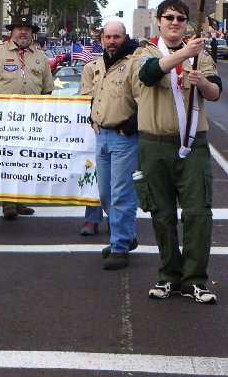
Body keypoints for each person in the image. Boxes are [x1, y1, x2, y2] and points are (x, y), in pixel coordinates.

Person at [135, 0, 221, 304]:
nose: (175, 22)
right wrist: (184, 53)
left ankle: (195, 279)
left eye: (181, 18)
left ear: (187, 23)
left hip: (193, 144)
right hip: (155, 144)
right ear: (158, 21)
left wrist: (201, 82)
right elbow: (148, 75)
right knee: (162, 214)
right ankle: (169, 276)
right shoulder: (144, 51)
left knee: (198, 212)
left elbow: (215, 92)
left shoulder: (201, 56)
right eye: (169, 17)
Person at [0, 13, 54, 219]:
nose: (23, 32)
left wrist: (45, 116)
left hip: (31, 118)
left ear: (32, 33)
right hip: (4, 118)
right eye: (19, 28)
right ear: (11, 31)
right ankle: (8, 203)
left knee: (25, 160)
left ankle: (20, 200)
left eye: (27, 29)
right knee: (7, 160)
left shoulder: (40, 57)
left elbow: (47, 89)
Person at [80, 20, 141, 270]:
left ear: (125, 37)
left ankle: (120, 248)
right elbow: (92, 96)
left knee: (120, 194)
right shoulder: (97, 64)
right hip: (101, 136)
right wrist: (92, 116)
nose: (112, 41)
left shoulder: (133, 63)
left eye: (117, 36)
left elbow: (144, 99)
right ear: (102, 39)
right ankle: (125, 234)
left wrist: (130, 126)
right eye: (108, 36)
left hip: (123, 139)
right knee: (104, 194)